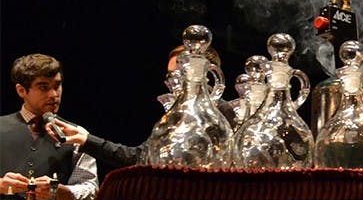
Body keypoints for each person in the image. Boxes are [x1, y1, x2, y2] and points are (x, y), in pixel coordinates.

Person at [48, 45, 236, 168]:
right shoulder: (174, 114)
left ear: (207, 73)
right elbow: (139, 157)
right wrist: (85, 139)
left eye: (179, 73)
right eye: (170, 76)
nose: (173, 82)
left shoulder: (224, 112)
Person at [0, 53, 98, 200]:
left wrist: (60, 192)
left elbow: (90, 192)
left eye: (57, 86)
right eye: (43, 87)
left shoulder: (77, 134)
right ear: (21, 90)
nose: (54, 94)